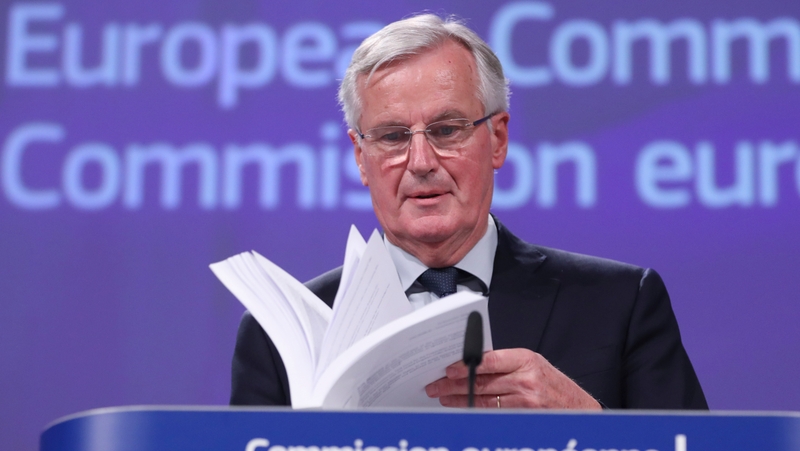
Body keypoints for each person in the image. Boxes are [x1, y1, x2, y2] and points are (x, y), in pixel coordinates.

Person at [230, 14, 707, 410]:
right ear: (360, 157)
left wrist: (593, 427)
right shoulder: (282, 337)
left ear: (497, 138)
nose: (420, 162)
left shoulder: (620, 304)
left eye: (447, 129)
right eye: (393, 137)